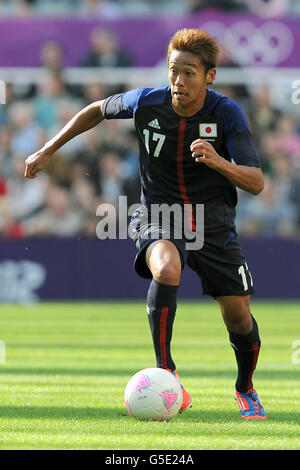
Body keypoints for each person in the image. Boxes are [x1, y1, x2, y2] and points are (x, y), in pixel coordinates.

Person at [24, 28, 266, 419]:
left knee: (238, 316)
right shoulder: (148, 102)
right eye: (174, 71)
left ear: (210, 76)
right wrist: (48, 150)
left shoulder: (226, 114)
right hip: (158, 213)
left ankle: (245, 388)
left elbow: (256, 181)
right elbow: (95, 110)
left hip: (214, 223)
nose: (178, 81)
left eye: (189, 72)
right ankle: (167, 372)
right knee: (167, 268)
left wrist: (218, 161)